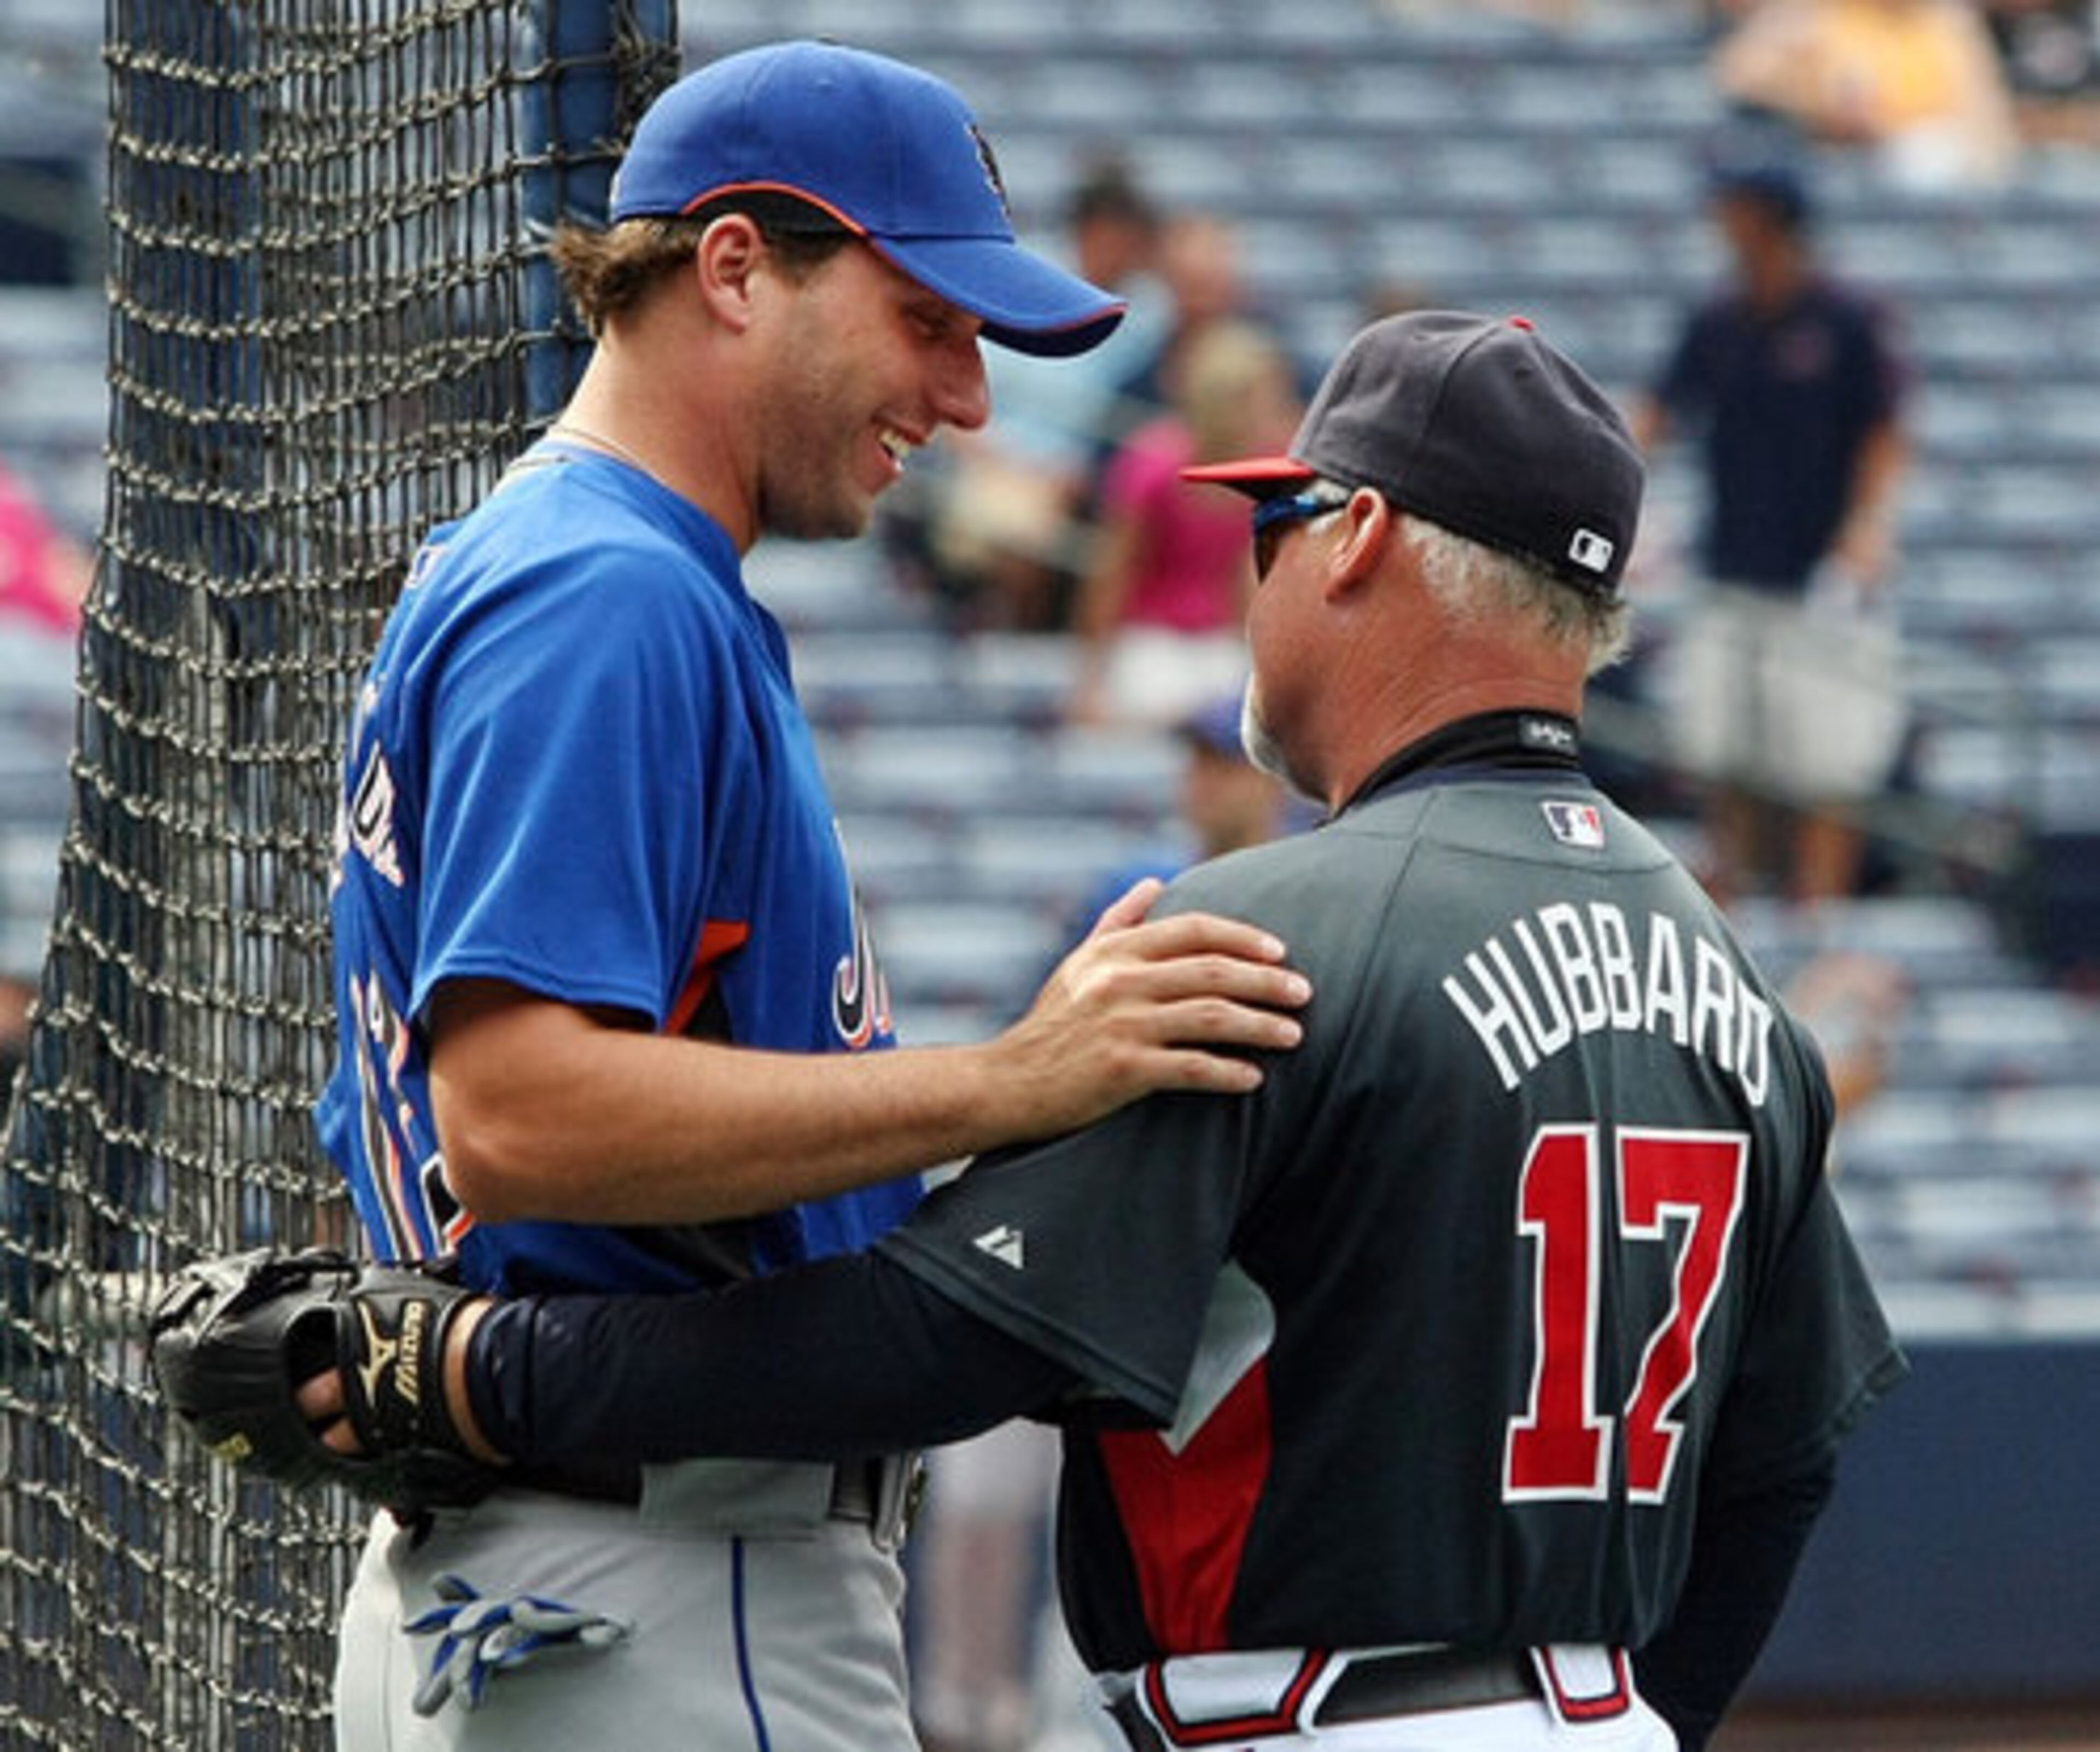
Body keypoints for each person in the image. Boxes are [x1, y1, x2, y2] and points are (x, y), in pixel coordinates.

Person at [287, 310, 1908, 1752]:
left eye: (1270, 522)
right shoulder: (1719, 972)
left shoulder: (1281, 931)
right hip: (1588, 1705)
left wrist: (491, 1369)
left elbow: (930, 1339)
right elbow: (1782, 1463)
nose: (1250, 568)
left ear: (1351, 539)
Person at [308, 39, 1311, 1751]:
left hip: (559, 1561)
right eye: (928, 320)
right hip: (659, 1578)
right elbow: (520, 1109)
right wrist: (1014, 1076)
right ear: (733, 268)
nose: (969, 396)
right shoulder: (604, 595)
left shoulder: (572, 568)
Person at [1631, 115, 1914, 905]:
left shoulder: (1847, 317)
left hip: (1822, 577)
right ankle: (1737, 917)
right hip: (1733, 563)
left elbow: (1885, 431)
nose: (1722, 220)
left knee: (1827, 763)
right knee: (1728, 752)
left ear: (1770, 212)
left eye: (1736, 203)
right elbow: (1655, 414)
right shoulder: (1717, 319)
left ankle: (1819, 917)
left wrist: (1867, 524)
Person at [1069, 319, 1302, 727]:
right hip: (1153, 640)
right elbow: (1115, 573)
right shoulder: (1153, 465)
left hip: (1226, 644)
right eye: (1259, 400)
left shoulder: (1274, 468)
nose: (1273, 411)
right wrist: (1092, 679)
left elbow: (1254, 581)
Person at [1711, 0, 2022, 188]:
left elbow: (1989, 123)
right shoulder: (1817, 11)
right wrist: (1820, 108)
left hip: (1937, 166)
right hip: (1834, 160)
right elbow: (1740, 74)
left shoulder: (1948, 21)